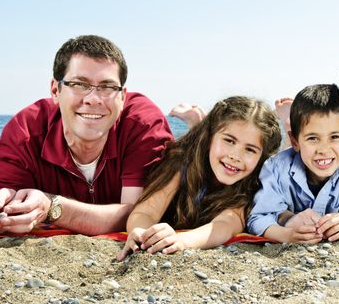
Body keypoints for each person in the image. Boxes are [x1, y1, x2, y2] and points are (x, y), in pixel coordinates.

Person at [0, 35, 173, 235]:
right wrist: (3, 212)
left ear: (123, 97)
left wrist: (51, 207)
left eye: (107, 87)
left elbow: (139, 215)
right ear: (55, 90)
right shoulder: (26, 132)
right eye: (80, 84)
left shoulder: (143, 125)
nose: (93, 99)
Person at [116, 96, 281, 259]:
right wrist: (142, 233)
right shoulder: (182, 162)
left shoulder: (251, 184)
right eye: (229, 141)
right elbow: (147, 212)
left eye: (250, 149)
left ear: (261, 156)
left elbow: (225, 225)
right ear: (210, 138)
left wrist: (181, 241)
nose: (235, 156)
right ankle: (194, 120)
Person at [247, 84, 339, 246]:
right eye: (312, 138)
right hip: (288, 214)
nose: (324, 150)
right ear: (295, 141)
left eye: (335, 137)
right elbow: (258, 218)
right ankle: (286, 122)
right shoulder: (275, 168)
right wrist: (286, 234)